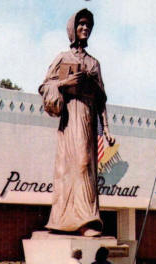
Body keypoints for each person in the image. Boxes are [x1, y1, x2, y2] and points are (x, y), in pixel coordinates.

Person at [38, 8, 114, 237]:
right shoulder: (63, 58)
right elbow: (45, 87)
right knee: (69, 167)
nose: (85, 28)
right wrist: (65, 83)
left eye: (88, 25)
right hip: (70, 117)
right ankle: (65, 221)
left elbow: (102, 99)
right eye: (81, 24)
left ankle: (87, 220)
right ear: (73, 28)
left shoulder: (94, 63)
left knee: (85, 165)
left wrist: (107, 129)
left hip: (89, 119)